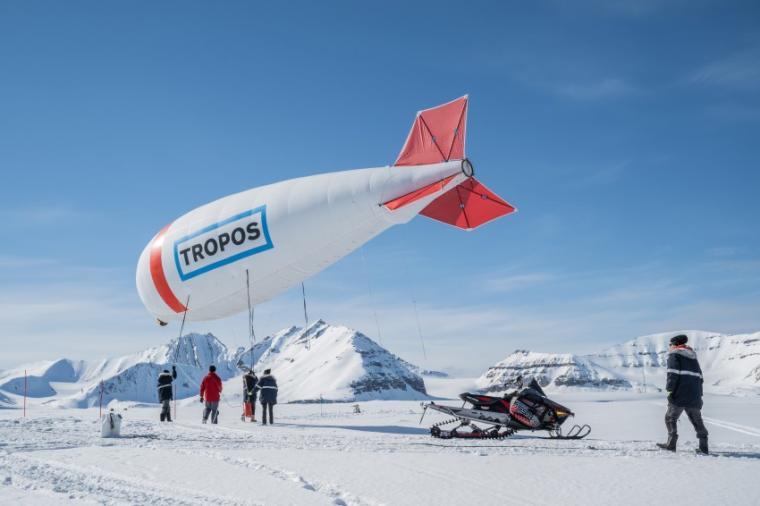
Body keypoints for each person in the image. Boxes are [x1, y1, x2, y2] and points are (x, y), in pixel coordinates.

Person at [657, 334, 709, 454]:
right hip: (694, 395)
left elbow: (672, 374)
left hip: (679, 394)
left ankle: (671, 443)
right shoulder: (693, 358)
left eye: (670, 344)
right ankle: (704, 446)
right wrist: (699, 395)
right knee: (697, 420)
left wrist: (670, 390)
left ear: (675, 344)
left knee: (670, 418)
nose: (669, 347)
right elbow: (700, 378)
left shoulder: (674, 355)